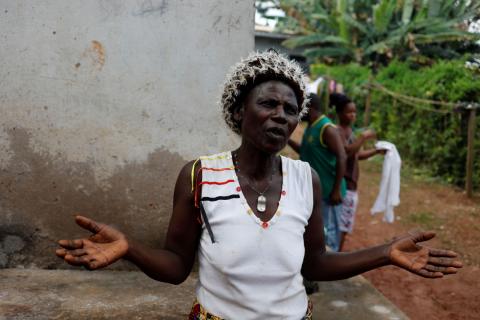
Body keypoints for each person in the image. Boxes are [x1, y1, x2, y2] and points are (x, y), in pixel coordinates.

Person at [56, 51, 462, 320]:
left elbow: (314, 263)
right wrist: (130, 249)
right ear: (239, 111)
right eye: (268, 104)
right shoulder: (199, 176)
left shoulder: (307, 179)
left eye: (290, 109)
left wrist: (385, 253)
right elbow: (177, 266)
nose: (281, 116)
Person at [288, 93, 346, 252]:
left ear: (310, 108)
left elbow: (342, 157)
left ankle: (332, 268)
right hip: (316, 191)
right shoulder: (311, 126)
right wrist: (287, 139)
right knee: (320, 229)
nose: (299, 111)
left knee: (331, 232)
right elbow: (305, 152)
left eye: (301, 108)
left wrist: (336, 190)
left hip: (330, 192)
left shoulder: (327, 128)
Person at [330, 93, 386, 252]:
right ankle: (334, 255)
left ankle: (336, 253)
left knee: (345, 225)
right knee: (339, 225)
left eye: (355, 112)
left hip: (352, 188)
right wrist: (363, 137)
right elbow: (346, 152)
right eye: (349, 112)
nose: (353, 115)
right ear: (340, 113)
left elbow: (356, 155)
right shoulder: (337, 131)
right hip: (344, 186)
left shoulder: (350, 131)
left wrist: (376, 151)